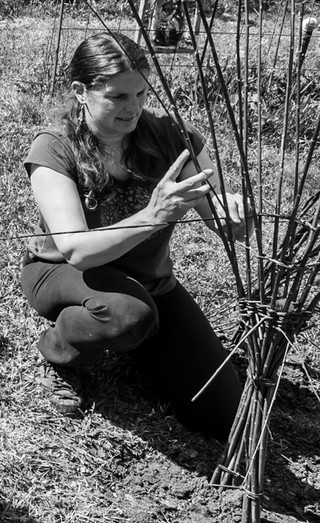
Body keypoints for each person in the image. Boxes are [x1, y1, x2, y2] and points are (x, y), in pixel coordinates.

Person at [20, 31, 248, 437]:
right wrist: (152, 215)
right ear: (80, 91)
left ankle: (142, 339)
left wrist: (235, 216)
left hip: (150, 281)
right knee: (129, 316)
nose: (134, 108)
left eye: (142, 93)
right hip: (64, 274)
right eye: (117, 97)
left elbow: (215, 213)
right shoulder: (54, 149)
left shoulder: (173, 139)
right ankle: (60, 352)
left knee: (222, 415)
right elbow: (76, 251)